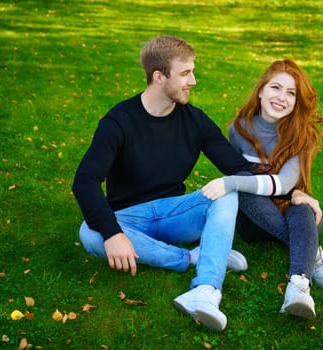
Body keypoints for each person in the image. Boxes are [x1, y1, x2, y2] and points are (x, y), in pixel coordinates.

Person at [72, 35, 255, 332]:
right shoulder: (118, 122)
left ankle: (206, 290)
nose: (193, 81)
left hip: (177, 214)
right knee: (90, 233)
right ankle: (193, 256)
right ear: (158, 77)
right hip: (131, 218)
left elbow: (238, 170)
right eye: (185, 73)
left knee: (228, 191)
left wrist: (288, 185)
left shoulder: (195, 121)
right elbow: (85, 181)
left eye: (192, 71)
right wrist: (113, 234)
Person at [202, 59, 323, 319]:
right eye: (276, 88)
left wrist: (230, 183)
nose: (281, 97)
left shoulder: (302, 135)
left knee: (301, 205)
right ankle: (313, 251)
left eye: (291, 93)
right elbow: (238, 173)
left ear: (297, 101)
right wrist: (236, 181)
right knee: (244, 181)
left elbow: (285, 184)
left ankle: (299, 288)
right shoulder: (239, 129)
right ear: (261, 90)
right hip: (253, 223)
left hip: (295, 213)